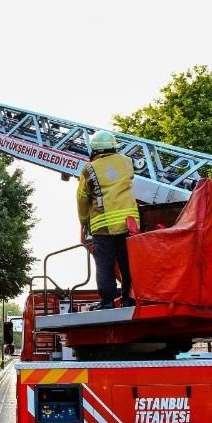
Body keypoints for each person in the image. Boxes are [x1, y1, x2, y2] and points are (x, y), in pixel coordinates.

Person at [77, 130, 139, 309]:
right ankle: (129, 299)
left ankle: (107, 302)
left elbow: (82, 197)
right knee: (128, 263)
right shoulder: (127, 161)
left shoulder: (89, 169)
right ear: (113, 146)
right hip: (129, 224)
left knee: (104, 265)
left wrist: (83, 220)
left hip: (103, 226)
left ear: (95, 149)